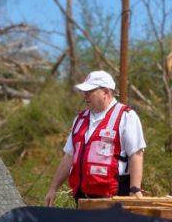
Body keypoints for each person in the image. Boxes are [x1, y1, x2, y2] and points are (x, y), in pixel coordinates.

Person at [45, 70, 146, 206]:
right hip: (82, 199)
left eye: (89, 92)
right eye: (84, 92)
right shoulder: (79, 119)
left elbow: (136, 154)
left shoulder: (126, 116)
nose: (85, 96)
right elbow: (69, 156)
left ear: (106, 92)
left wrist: (135, 189)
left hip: (112, 198)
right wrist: (53, 188)